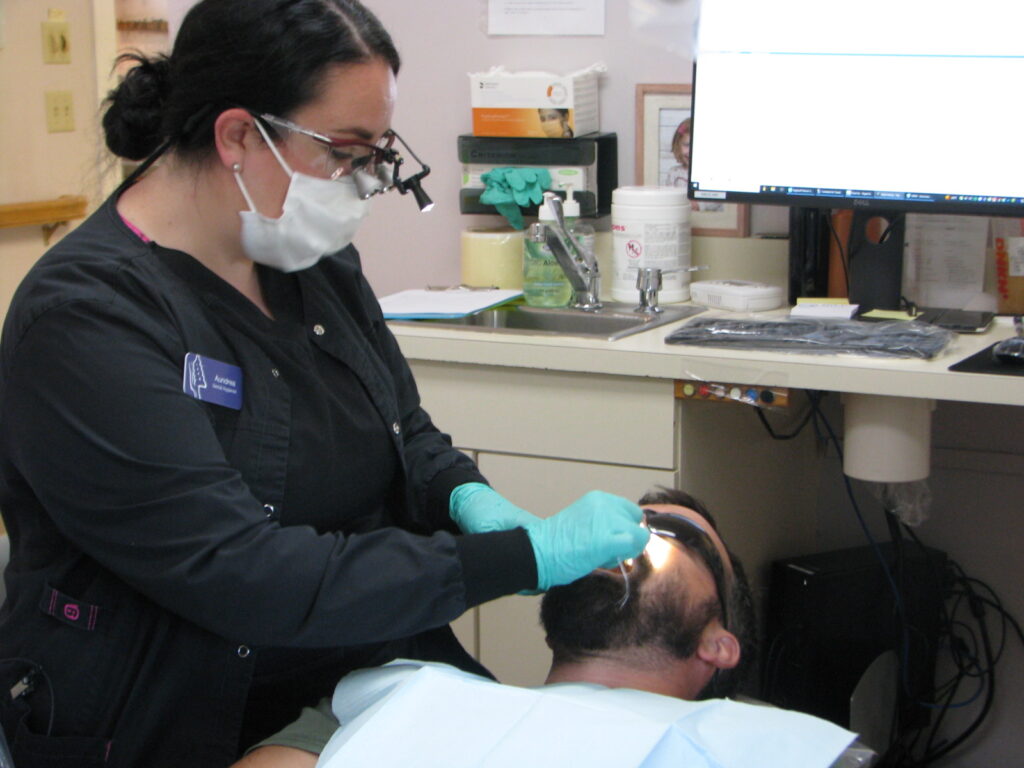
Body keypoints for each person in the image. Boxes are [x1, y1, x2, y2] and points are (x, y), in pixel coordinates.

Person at [0, 1, 648, 765]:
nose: (366, 182)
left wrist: (470, 499)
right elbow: (242, 574)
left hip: (367, 672)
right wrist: (514, 560)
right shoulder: (85, 320)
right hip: (183, 711)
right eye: (345, 152)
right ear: (239, 136)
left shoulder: (310, 262)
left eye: (377, 152)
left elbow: (406, 435)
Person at [231, 488, 807, 767]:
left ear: (717, 643)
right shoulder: (400, 695)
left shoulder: (749, 751)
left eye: (672, 534)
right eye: (632, 521)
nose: (632, 536)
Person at [665, 117, 723, 212]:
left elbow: (718, 200)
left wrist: (699, 205)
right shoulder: (673, 173)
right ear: (678, 145)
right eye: (687, 145)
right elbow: (668, 198)